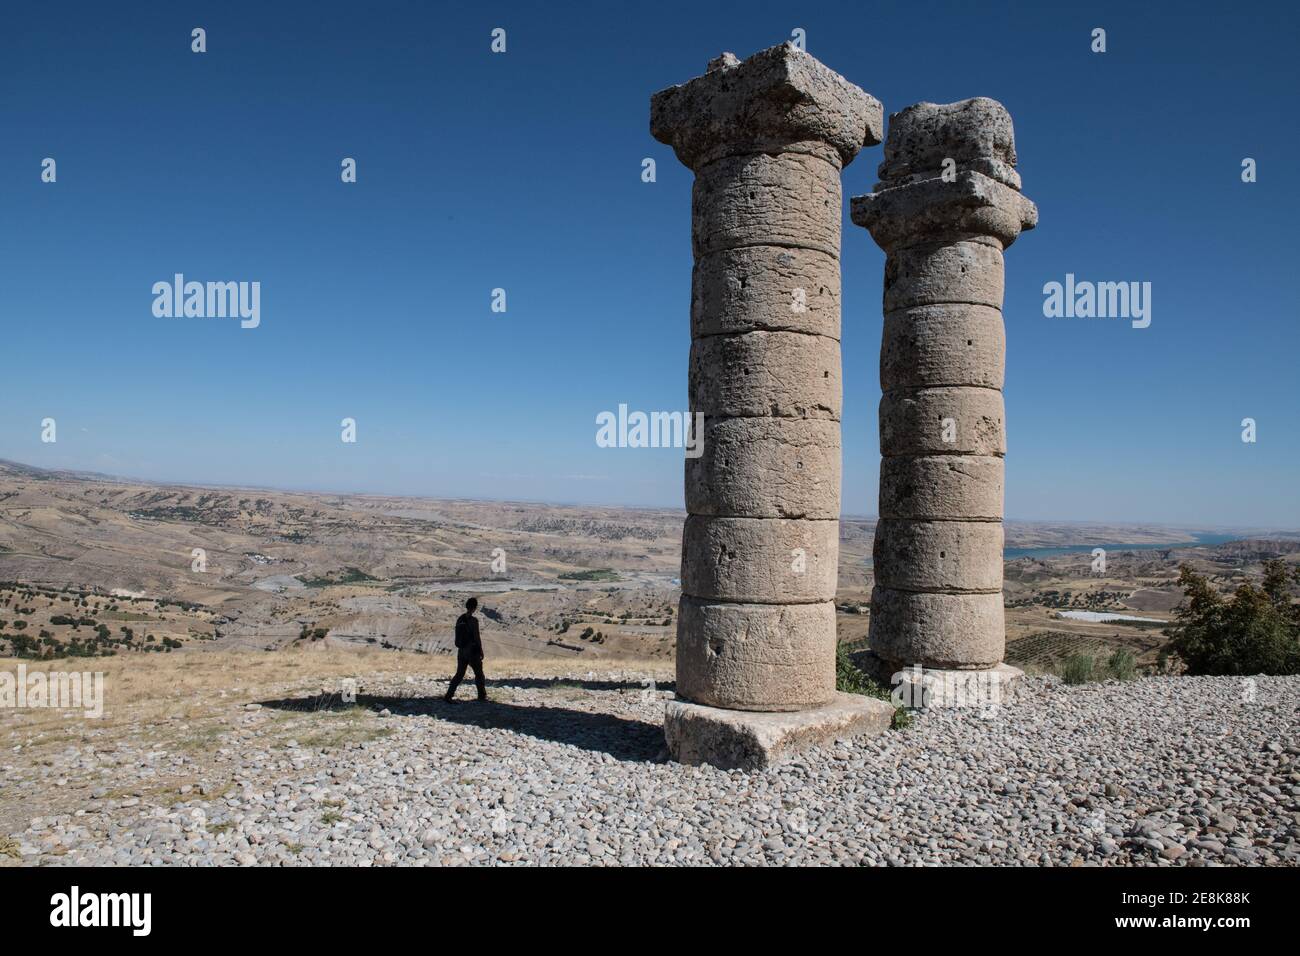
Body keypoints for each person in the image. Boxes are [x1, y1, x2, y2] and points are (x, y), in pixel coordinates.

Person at [445, 597, 487, 702]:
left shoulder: (460, 619)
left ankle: (449, 695)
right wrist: (480, 650)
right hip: (472, 651)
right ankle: (482, 696)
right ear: (475, 607)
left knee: (459, 674)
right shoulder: (474, 621)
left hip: (461, 651)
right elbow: (477, 637)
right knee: (479, 674)